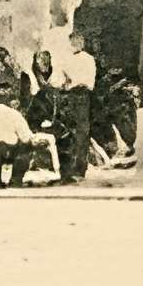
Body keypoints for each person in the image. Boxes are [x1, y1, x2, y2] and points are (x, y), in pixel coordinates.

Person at [51, 42, 97, 183]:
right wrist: (64, 83)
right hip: (69, 96)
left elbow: (88, 82)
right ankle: (70, 170)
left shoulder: (88, 59)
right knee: (70, 132)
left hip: (81, 95)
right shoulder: (67, 59)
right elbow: (58, 78)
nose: (74, 46)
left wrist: (70, 83)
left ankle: (79, 168)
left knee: (81, 132)